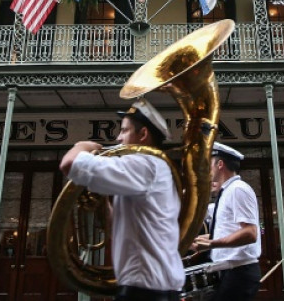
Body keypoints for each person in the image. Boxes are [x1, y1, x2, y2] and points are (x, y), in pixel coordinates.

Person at [60, 99, 184, 301]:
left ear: (143, 134)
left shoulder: (144, 164)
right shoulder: (153, 167)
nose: (118, 138)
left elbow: (70, 163)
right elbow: (114, 228)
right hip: (149, 287)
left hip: (145, 291)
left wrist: (81, 145)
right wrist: (103, 203)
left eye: (124, 131)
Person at [192, 142, 261, 301]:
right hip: (230, 272)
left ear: (220, 164)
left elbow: (250, 233)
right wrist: (196, 241)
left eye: (209, 164)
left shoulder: (238, 189)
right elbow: (227, 232)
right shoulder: (227, 192)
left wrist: (211, 244)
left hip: (239, 272)